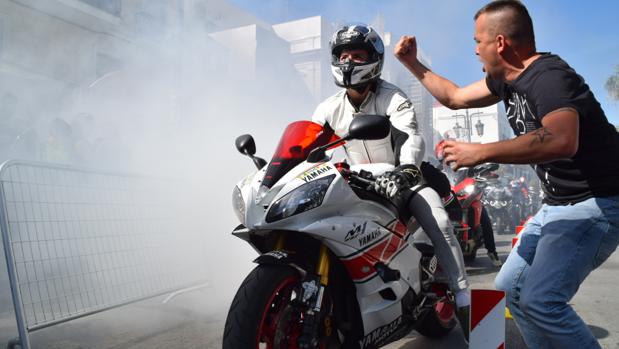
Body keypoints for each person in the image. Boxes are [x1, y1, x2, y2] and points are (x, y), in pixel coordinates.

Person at [394, 1, 619, 348]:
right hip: (556, 204)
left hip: (594, 203)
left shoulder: (550, 78)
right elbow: (454, 97)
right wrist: (411, 62)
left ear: (500, 43)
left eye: (477, 41)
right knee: (509, 288)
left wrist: (480, 150)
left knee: (542, 301)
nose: (474, 49)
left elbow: (562, 139)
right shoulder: (504, 80)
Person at [311, 24, 471, 341]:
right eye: (343, 55)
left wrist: (407, 169)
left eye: (357, 55)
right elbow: (308, 146)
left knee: (440, 224)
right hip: (357, 181)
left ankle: (466, 303)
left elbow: (410, 135)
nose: (348, 62)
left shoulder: (392, 97)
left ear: (373, 60)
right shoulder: (328, 108)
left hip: (403, 178)